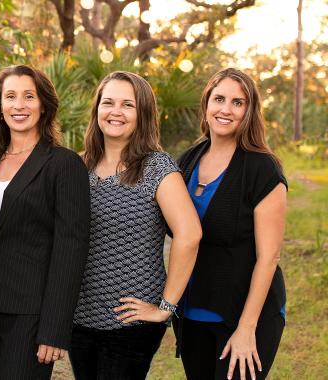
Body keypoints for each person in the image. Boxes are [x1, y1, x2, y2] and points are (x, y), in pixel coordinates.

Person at [68, 71, 201, 379]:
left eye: (127, 104)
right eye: (108, 102)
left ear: (142, 113)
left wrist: (166, 308)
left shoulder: (157, 167)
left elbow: (189, 235)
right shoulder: (78, 166)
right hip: (79, 317)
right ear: (97, 109)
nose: (116, 111)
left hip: (131, 322)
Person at [0, 64, 89, 379]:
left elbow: (71, 248)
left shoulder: (63, 164)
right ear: (0, 106)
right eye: (10, 96)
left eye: (28, 96)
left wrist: (54, 329)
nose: (19, 105)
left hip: (30, 312)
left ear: (43, 105)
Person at [175, 68, 287, 380]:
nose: (226, 109)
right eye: (219, 99)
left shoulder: (262, 169)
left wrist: (246, 328)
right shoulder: (186, 161)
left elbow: (269, 257)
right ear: (206, 104)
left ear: (249, 112)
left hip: (245, 314)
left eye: (238, 103)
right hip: (192, 312)